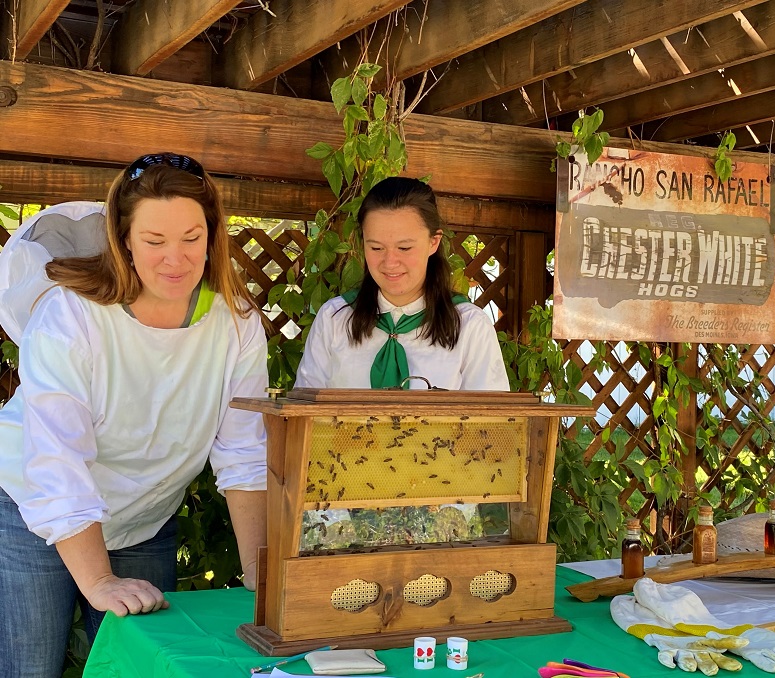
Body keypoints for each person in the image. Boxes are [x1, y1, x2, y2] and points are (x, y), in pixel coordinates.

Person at [0, 153, 268, 678]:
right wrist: (98, 582)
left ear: (213, 235)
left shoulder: (236, 324)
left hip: (145, 522)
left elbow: (245, 458)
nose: (176, 258)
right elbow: (57, 458)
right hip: (33, 515)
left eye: (192, 237)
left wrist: (263, 576)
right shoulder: (71, 314)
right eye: (154, 241)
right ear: (123, 239)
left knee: (144, 669)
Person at [295, 176, 509, 391]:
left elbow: (490, 421)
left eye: (404, 248)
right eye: (377, 248)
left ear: (433, 242)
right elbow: (304, 411)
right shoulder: (334, 318)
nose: (390, 263)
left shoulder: (469, 326)